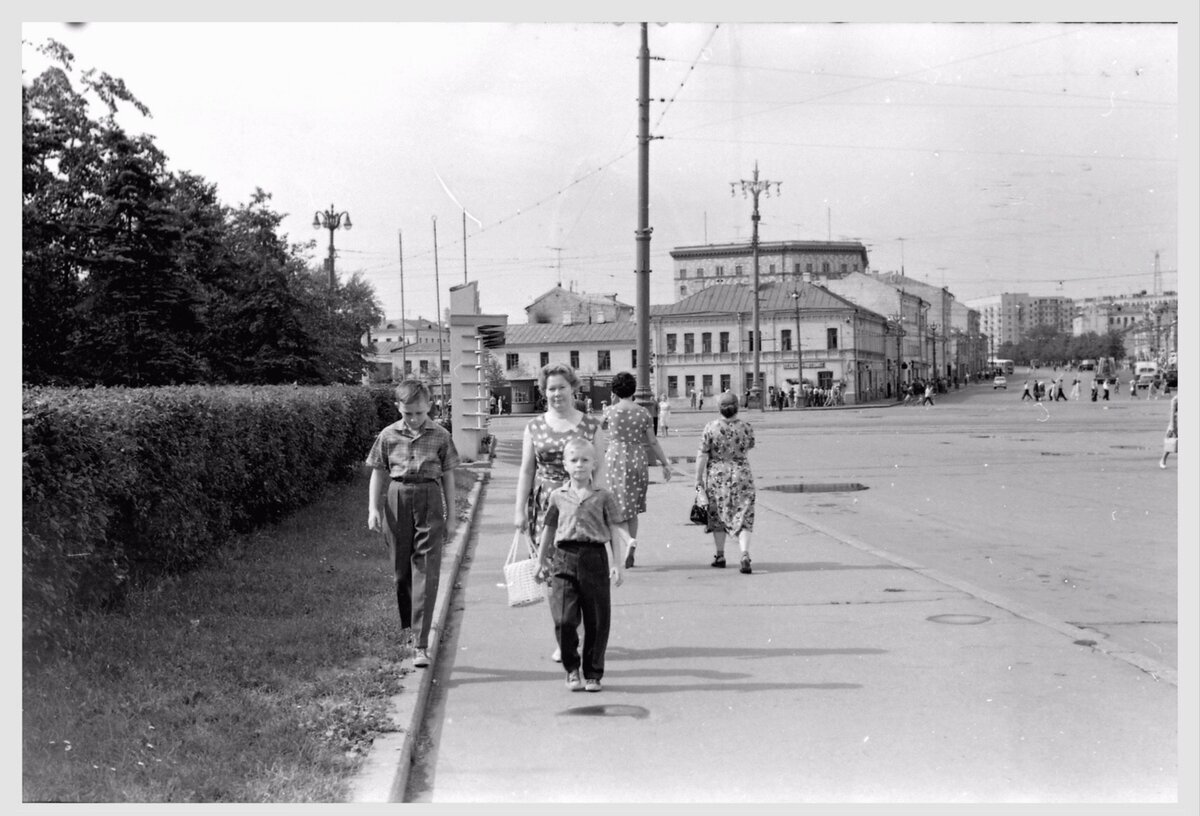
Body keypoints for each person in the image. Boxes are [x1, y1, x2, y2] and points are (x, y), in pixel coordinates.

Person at [514, 362, 606, 663]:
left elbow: (600, 469)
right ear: (544, 392)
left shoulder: (591, 425)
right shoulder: (535, 426)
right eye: (551, 388)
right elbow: (527, 470)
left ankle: (572, 631)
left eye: (562, 387)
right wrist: (519, 511)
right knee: (553, 574)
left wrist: (600, 504)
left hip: (580, 504)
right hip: (544, 505)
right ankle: (564, 635)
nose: (557, 394)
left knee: (579, 570)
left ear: (573, 388)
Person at [366, 380, 460, 669]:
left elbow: (448, 477)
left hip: (429, 497)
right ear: (398, 408)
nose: (414, 419)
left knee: (426, 569)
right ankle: (409, 626)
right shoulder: (388, 435)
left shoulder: (441, 436)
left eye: (419, 413)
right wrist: (373, 509)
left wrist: (452, 517)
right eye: (408, 413)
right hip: (397, 498)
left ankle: (421, 643)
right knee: (401, 572)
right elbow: (378, 473)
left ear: (430, 406)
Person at [534, 438, 629, 693]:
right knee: (564, 619)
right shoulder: (557, 496)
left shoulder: (603, 496)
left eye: (585, 460)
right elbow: (549, 528)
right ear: (565, 465)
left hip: (595, 557)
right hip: (564, 557)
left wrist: (617, 564)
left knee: (597, 620)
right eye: (574, 460)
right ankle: (571, 669)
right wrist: (540, 560)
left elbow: (613, 527)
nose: (579, 465)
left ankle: (593, 673)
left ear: (594, 464)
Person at [602, 372, 672, 568]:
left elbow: (596, 431)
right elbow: (652, 441)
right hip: (637, 459)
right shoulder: (643, 413)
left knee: (612, 506)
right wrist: (665, 463)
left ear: (615, 390)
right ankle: (630, 546)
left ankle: (623, 546)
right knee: (632, 509)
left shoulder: (610, 412)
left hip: (615, 459)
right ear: (633, 390)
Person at [695, 390, 756, 574]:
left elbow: (702, 454)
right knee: (744, 514)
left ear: (719, 408)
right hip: (741, 474)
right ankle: (744, 553)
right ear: (737, 408)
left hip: (717, 476)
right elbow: (750, 445)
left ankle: (720, 555)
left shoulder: (710, 427)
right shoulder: (746, 427)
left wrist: (698, 480)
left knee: (717, 515)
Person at [1159, 394, 1178, 469]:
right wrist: (1172, 426)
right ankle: (1163, 460)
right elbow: (1172, 413)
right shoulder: (1175, 399)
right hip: (1176, 423)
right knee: (1171, 443)